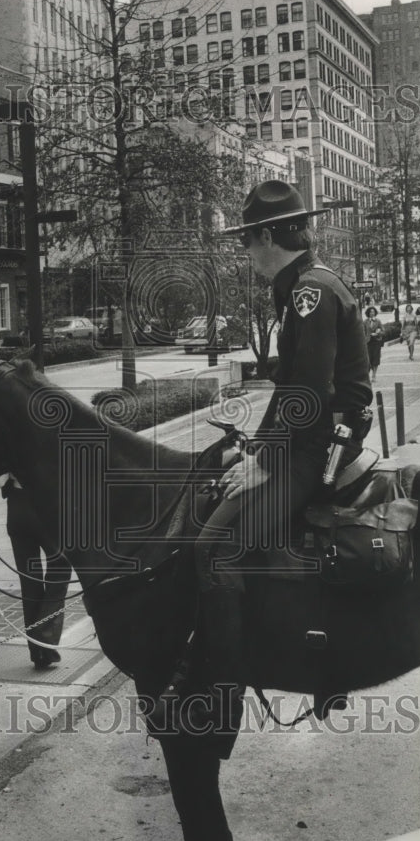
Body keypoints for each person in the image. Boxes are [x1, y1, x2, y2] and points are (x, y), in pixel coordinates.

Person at [150, 181, 373, 748]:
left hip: (321, 446)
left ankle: (216, 694)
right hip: (307, 437)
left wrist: (266, 463)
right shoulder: (303, 286)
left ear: (268, 236)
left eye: (247, 241)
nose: (244, 253)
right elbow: (290, 390)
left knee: (215, 548)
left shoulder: (310, 294)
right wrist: (256, 448)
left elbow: (311, 392)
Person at [0, 474, 71, 668]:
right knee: (60, 569)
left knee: (29, 581)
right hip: (48, 505)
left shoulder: (5, 442)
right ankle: (45, 637)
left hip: (17, 507)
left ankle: (37, 652)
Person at [363, 305, 384, 383]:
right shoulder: (365, 322)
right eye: (370, 312)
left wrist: (378, 333)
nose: (372, 313)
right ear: (368, 313)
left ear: (375, 313)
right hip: (368, 342)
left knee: (376, 359)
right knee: (368, 360)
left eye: (373, 312)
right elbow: (362, 332)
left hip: (376, 342)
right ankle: (367, 375)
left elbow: (383, 331)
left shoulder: (378, 321)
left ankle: (374, 375)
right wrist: (365, 337)